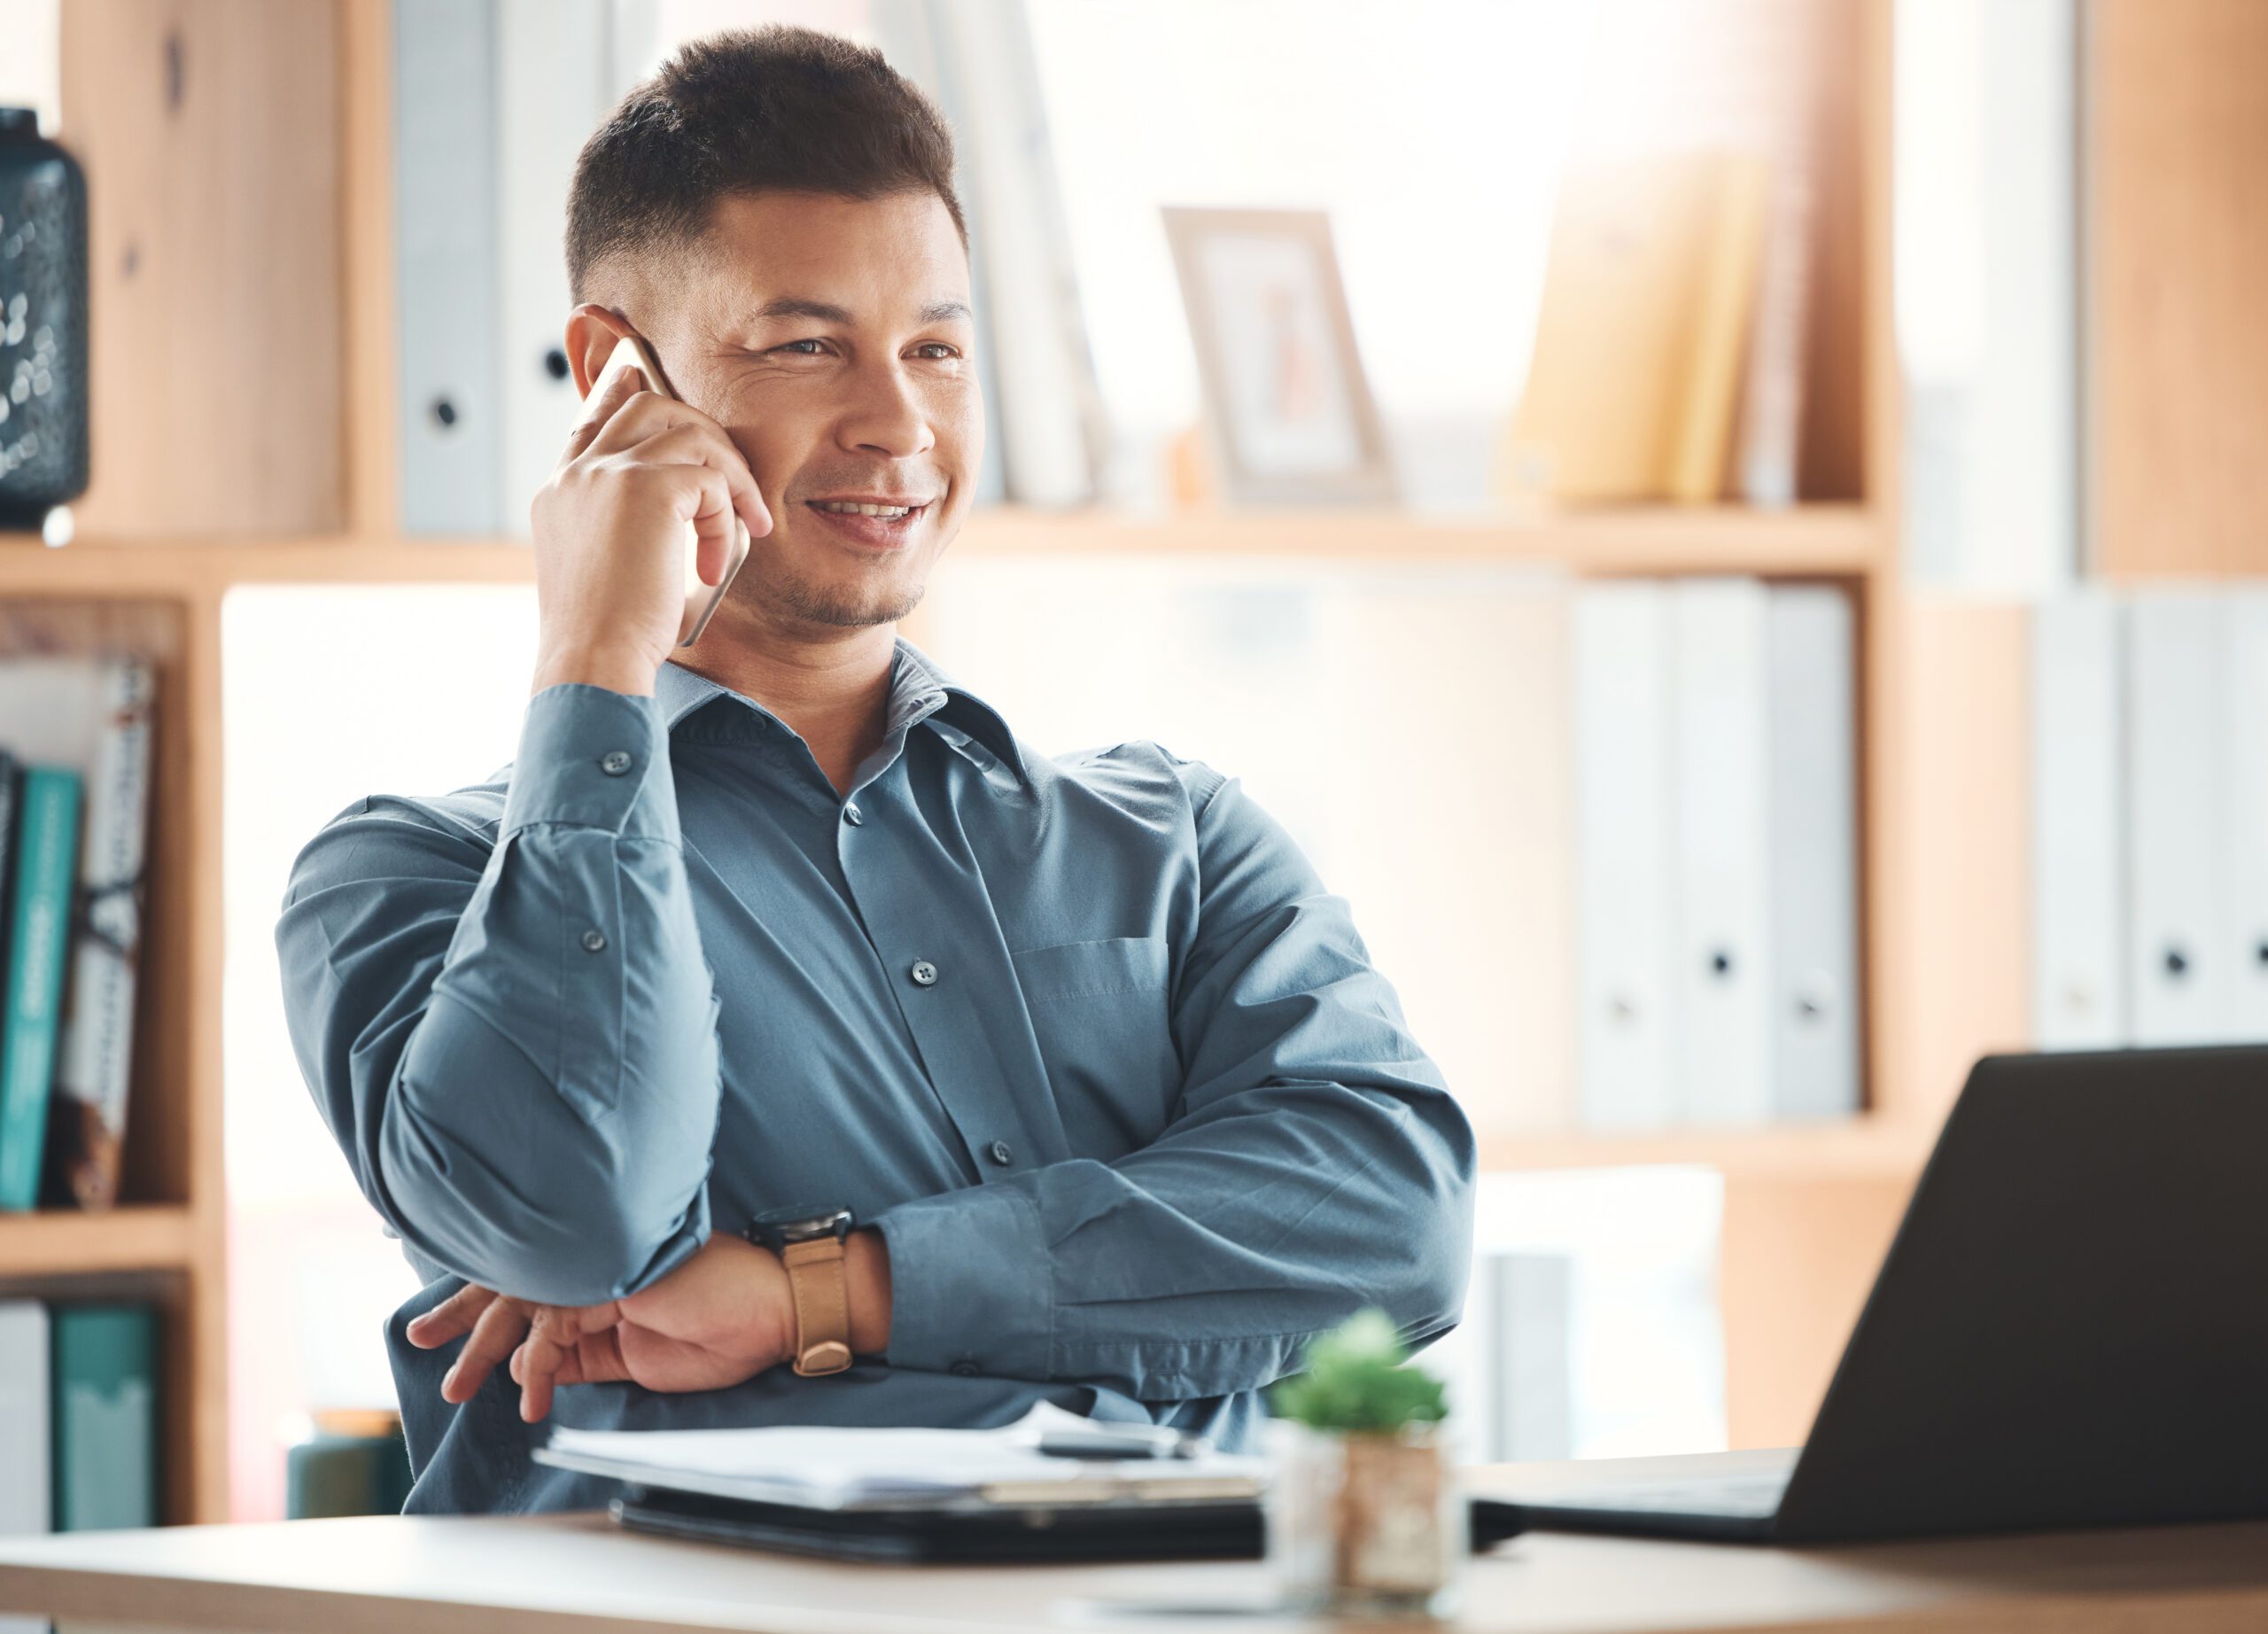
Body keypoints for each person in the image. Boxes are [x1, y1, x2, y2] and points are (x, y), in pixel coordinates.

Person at [275, 23, 1474, 1515]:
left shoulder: (1176, 838)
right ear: (611, 377)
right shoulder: (414, 881)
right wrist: (593, 649)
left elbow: (1392, 1227)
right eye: (807, 344)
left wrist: (810, 1294)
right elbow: (580, 1225)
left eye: (936, 350)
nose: (899, 425)